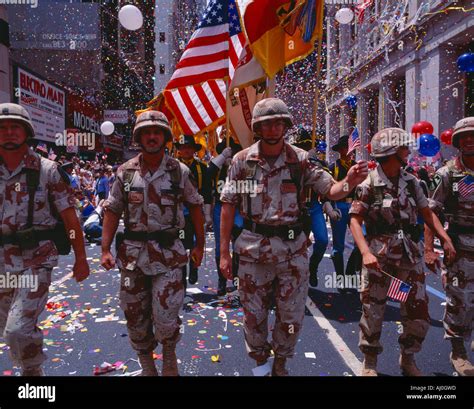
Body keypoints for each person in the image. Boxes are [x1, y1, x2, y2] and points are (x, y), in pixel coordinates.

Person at [219, 98, 368, 375]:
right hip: (253, 252)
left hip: (291, 252)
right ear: (258, 127)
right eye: (267, 123)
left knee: (291, 317)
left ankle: (280, 364)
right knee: (254, 317)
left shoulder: (300, 160)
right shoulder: (242, 162)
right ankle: (260, 363)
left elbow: (332, 190)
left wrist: (350, 181)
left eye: (278, 123)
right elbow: (228, 205)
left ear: (285, 126)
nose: (273, 128)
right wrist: (225, 253)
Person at [101, 110, 205, 376]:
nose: (151, 136)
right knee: (135, 316)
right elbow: (113, 210)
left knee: (166, 317)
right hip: (132, 258)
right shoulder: (125, 173)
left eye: (156, 132)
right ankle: (148, 367)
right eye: (146, 132)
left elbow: (195, 206)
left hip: (169, 256)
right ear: (138, 137)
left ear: (165, 137)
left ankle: (169, 356)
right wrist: (104, 249)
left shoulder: (178, 171)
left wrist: (200, 245)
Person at [349, 128, 456, 376]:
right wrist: (365, 252)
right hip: (379, 257)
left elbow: (427, 212)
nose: (408, 152)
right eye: (404, 148)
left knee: (418, 313)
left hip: (409, 255)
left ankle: (407, 358)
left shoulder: (412, 182)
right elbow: (355, 220)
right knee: (373, 311)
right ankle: (370, 362)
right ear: (392, 153)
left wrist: (444, 237)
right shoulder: (369, 184)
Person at [0, 103, 89, 376]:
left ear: (27, 132)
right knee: (8, 328)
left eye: (15, 127)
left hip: (35, 261)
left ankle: (33, 377)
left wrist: (81, 258)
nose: (9, 133)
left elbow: (71, 220)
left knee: (17, 329)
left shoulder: (47, 170)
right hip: (3, 263)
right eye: (2, 128)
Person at [425, 117, 474, 376]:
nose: (468, 141)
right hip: (459, 247)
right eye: (463, 137)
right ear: (456, 142)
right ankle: (458, 351)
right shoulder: (447, 174)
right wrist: (430, 247)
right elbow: (430, 211)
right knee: (459, 301)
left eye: (473, 136)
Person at [292, 128, 330, 288]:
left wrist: (327, 203)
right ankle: (295, 278)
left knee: (322, 240)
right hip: (296, 208)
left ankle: (313, 266)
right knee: (295, 244)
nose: (305, 149)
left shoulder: (319, 164)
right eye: (302, 145)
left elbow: (327, 185)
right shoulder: (290, 164)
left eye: (307, 145)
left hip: (314, 206)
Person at [207, 137, 243, 296]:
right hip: (220, 208)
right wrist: (222, 157)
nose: (230, 154)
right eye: (227, 151)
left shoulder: (241, 164)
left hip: (238, 207)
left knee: (239, 245)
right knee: (220, 246)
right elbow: (208, 175)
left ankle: (236, 279)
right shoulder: (217, 167)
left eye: (232, 151)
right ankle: (222, 281)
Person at [174, 135, 212, 286]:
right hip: (179, 213)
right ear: (179, 150)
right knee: (181, 244)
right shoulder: (172, 168)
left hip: (196, 212)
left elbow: (207, 192)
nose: (186, 150)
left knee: (196, 242)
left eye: (189, 147)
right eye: (183, 148)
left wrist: (207, 214)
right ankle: (181, 275)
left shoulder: (202, 168)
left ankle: (194, 266)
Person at [328, 135, 361, 289]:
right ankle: (341, 280)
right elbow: (327, 190)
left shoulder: (357, 167)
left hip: (355, 206)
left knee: (363, 240)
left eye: (351, 149)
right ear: (340, 150)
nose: (349, 152)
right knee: (338, 246)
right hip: (339, 206)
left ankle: (349, 272)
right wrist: (329, 207)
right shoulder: (332, 167)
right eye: (346, 148)